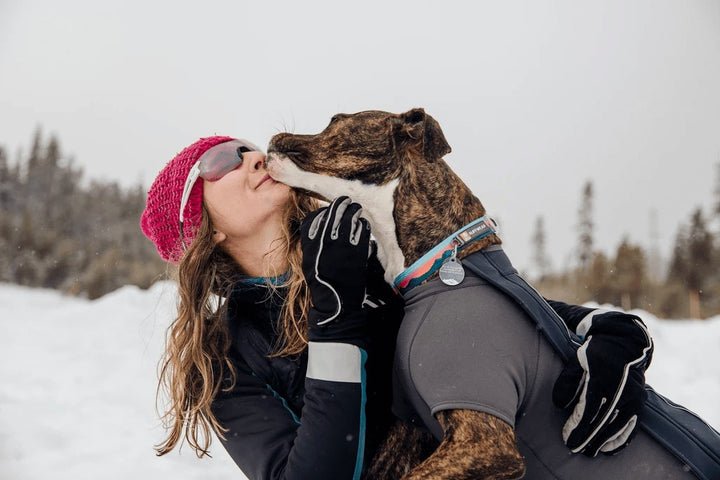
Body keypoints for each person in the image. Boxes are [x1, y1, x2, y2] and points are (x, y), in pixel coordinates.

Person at [140, 136, 652, 479]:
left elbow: (475, 309)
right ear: (203, 229)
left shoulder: (358, 251)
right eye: (220, 161)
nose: (253, 156)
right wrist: (335, 322)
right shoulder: (224, 361)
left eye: (247, 147)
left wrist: (601, 328)